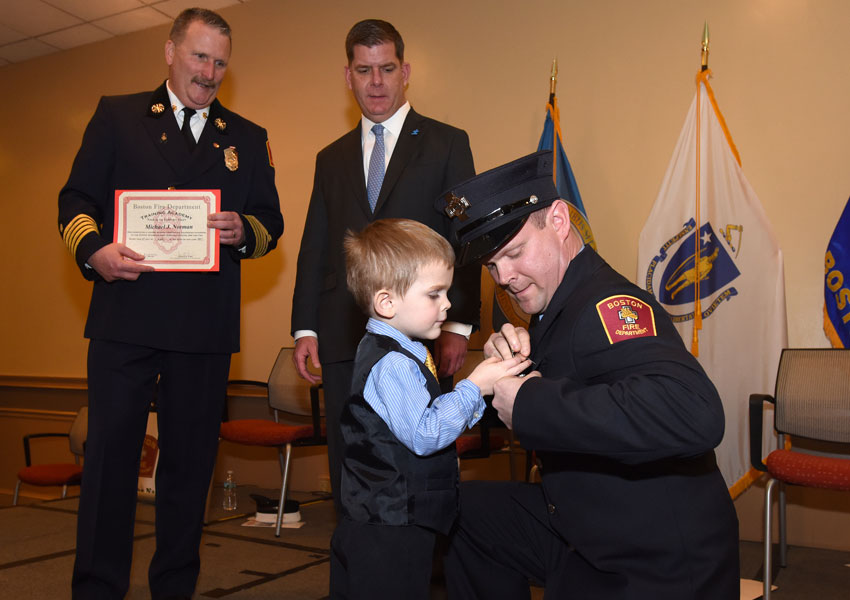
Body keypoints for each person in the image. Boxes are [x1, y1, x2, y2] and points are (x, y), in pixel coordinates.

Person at [438, 151, 740, 599]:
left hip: (654, 558)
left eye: (515, 253)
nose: (503, 276)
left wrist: (529, 402)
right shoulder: (558, 302)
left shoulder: (608, 306)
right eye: (491, 265)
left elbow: (695, 412)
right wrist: (500, 378)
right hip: (586, 523)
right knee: (461, 512)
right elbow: (576, 392)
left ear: (559, 220)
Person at [57, 8, 283, 599]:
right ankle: (97, 590)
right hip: (124, 319)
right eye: (199, 56)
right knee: (108, 468)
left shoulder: (247, 137)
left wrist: (244, 231)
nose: (209, 72)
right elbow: (74, 201)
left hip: (203, 330)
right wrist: (95, 251)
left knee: (187, 476)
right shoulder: (119, 115)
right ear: (170, 51)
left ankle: (174, 590)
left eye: (219, 62)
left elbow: (271, 224)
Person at [291, 19, 480, 509]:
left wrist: (458, 323)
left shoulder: (446, 142)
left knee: (415, 460)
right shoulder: (329, 158)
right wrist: (304, 328)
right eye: (364, 69)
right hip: (340, 330)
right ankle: (354, 569)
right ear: (348, 76)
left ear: (405, 72)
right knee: (347, 461)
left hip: (421, 332)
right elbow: (316, 245)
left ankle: (421, 573)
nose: (376, 81)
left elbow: (466, 241)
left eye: (387, 69)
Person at [330, 219, 528, 599]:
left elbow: (424, 414)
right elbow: (424, 434)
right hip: (391, 525)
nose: (448, 304)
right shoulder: (394, 362)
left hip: (383, 521)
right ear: (386, 302)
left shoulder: (397, 349)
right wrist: (475, 387)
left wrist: (477, 394)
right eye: (434, 294)